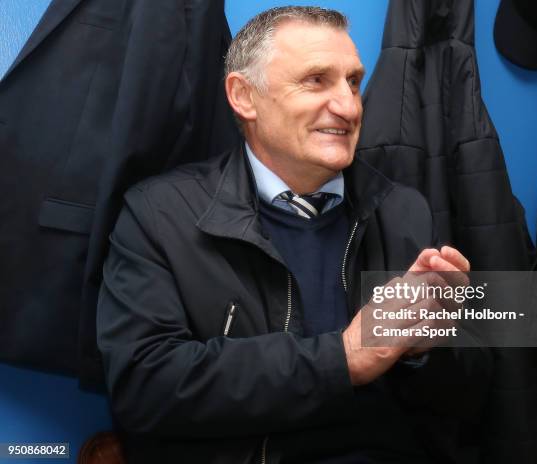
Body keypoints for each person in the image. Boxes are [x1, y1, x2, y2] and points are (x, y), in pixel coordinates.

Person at [97, 7, 493, 463]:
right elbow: (144, 387)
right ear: (244, 96)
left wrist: (430, 346)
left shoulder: (403, 210)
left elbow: (470, 396)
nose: (348, 106)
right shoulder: (159, 214)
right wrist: (342, 358)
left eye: (353, 81)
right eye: (316, 80)